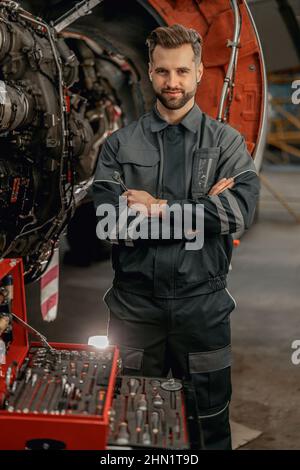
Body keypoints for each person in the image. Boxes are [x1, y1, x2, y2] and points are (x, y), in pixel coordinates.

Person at [92, 24, 260, 450]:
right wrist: (201, 211)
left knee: (209, 427)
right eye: (163, 71)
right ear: (149, 71)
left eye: (183, 71)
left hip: (201, 311)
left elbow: (238, 210)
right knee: (129, 430)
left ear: (200, 72)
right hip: (135, 311)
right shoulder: (119, 145)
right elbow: (109, 222)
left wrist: (156, 208)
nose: (173, 82)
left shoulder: (225, 143)